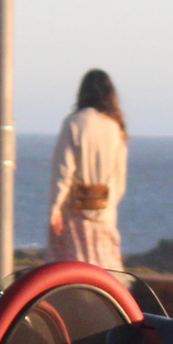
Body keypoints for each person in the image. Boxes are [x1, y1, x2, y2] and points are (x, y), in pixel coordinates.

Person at [47, 69, 128, 268]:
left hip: (74, 214)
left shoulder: (74, 123)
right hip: (105, 212)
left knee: (71, 273)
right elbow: (119, 180)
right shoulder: (114, 127)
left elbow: (64, 171)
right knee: (105, 275)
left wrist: (55, 208)